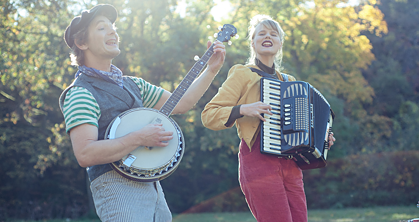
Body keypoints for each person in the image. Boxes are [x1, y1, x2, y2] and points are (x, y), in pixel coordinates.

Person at [59, 4, 226, 221]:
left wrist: (211, 69)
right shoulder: (81, 93)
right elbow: (85, 153)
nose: (112, 31)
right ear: (82, 43)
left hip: (152, 185)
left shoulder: (134, 85)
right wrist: (139, 137)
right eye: (102, 28)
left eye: (113, 27)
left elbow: (182, 103)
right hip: (114, 187)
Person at [201, 15, 335, 222]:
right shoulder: (242, 73)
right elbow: (209, 115)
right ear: (253, 43)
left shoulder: (289, 82)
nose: (267, 37)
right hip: (258, 160)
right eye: (261, 33)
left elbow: (304, 128)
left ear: (280, 43)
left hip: (291, 164)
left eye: (274, 34)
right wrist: (244, 109)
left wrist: (322, 140)